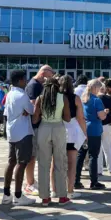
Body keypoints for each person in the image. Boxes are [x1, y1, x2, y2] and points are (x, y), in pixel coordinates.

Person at [32, 76, 70, 206]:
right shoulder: (63, 98)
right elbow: (68, 118)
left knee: (43, 164)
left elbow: (35, 120)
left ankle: (45, 197)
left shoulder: (40, 99)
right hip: (58, 127)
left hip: (44, 128)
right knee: (60, 162)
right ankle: (62, 196)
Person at [1, 70, 35, 206]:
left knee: (11, 162)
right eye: (25, 79)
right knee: (22, 163)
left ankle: (6, 193)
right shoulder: (22, 95)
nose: (26, 82)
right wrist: (27, 110)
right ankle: (18, 195)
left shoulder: (9, 94)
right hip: (23, 132)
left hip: (11, 131)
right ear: (20, 80)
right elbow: (31, 110)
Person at [24, 65, 54, 196]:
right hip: (34, 125)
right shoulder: (34, 85)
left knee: (35, 155)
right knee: (32, 155)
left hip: (37, 124)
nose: (50, 80)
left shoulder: (37, 85)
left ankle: (31, 181)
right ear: (43, 74)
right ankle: (29, 183)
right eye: (49, 76)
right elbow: (32, 104)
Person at [75, 79, 108, 190]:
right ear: (95, 88)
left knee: (81, 155)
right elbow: (101, 116)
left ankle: (76, 180)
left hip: (84, 128)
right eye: (99, 88)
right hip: (94, 129)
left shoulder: (83, 99)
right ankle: (94, 181)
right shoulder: (96, 100)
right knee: (93, 155)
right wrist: (106, 112)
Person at [58, 76, 87, 199]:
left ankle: (56, 189)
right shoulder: (76, 98)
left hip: (58, 129)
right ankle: (70, 190)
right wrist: (85, 134)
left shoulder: (56, 98)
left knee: (57, 163)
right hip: (73, 131)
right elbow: (80, 118)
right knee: (72, 163)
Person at [98, 80, 111, 175]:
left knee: (98, 149)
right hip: (108, 125)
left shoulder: (95, 99)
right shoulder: (110, 99)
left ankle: (99, 170)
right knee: (108, 148)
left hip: (97, 125)